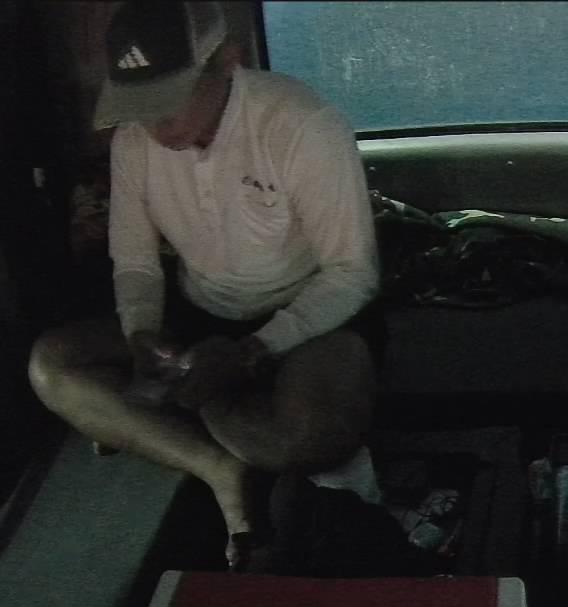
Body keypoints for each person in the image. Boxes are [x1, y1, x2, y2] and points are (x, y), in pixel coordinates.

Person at [27, 1, 383, 571]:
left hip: (306, 310)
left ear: (228, 62)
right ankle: (220, 467)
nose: (155, 126)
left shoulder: (301, 125)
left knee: (311, 435)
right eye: (139, 108)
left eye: (168, 102)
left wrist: (252, 351)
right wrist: (141, 332)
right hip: (197, 311)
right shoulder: (136, 143)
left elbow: (352, 273)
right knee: (52, 366)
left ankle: (190, 417)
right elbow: (136, 263)